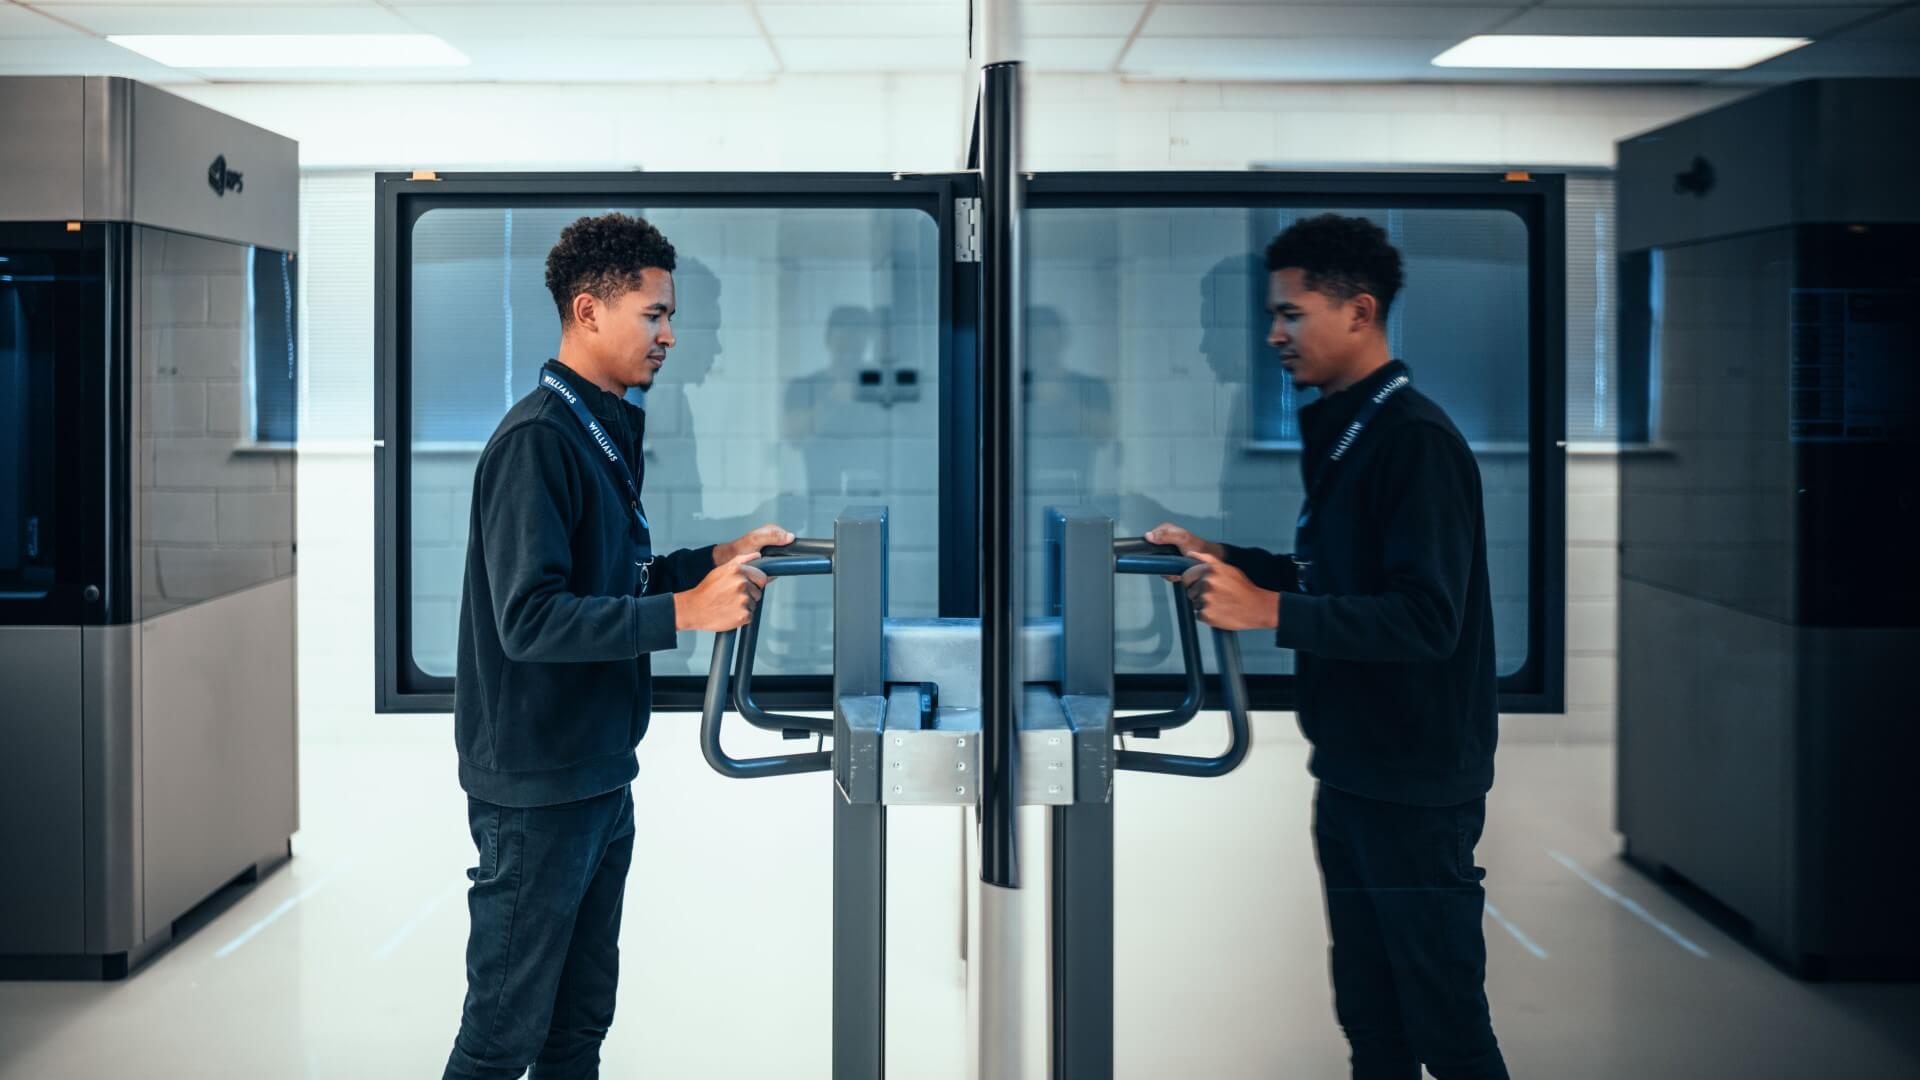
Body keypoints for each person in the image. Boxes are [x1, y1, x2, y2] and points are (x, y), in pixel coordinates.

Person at [1150, 213, 1508, 1080]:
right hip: (1353, 772)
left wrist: (1267, 609)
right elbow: (1338, 574)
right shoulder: (1350, 431)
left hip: (1414, 788)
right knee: (1372, 1021)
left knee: (1446, 1028)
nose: (1274, 334)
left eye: (1293, 314)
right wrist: (1231, 560)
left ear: (1360, 311)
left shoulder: (1412, 441)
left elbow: (1427, 620)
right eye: (1274, 316)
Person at [445, 212, 792, 1079]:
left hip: (599, 773)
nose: (670, 335)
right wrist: (686, 613)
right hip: (539, 789)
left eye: (671, 317)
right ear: (588, 311)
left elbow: (613, 579)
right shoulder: (539, 441)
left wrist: (706, 563)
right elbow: (530, 619)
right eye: (654, 314)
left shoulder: (601, 431)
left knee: (578, 1028)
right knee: (502, 1039)